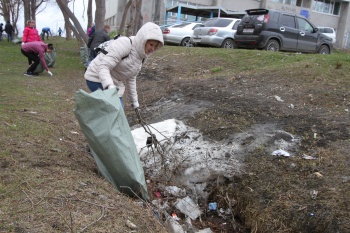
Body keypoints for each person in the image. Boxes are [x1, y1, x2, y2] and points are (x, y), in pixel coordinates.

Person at [84, 22, 163, 110]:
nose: (152, 49)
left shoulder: (142, 57)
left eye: (155, 47)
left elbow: (131, 78)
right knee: (116, 110)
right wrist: (109, 86)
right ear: (143, 40)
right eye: (151, 44)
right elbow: (104, 66)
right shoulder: (125, 44)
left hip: (113, 82)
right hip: (96, 76)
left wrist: (135, 102)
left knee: (117, 110)